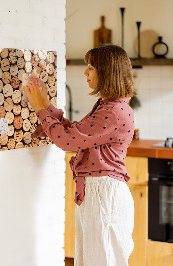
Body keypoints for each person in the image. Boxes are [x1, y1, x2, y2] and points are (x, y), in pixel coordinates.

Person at [24, 44, 136, 266]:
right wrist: (46, 105)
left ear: (107, 72)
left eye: (91, 67)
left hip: (104, 195)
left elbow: (67, 141)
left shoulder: (113, 111)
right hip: (99, 193)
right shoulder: (109, 106)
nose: (85, 72)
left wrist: (39, 109)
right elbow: (76, 133)